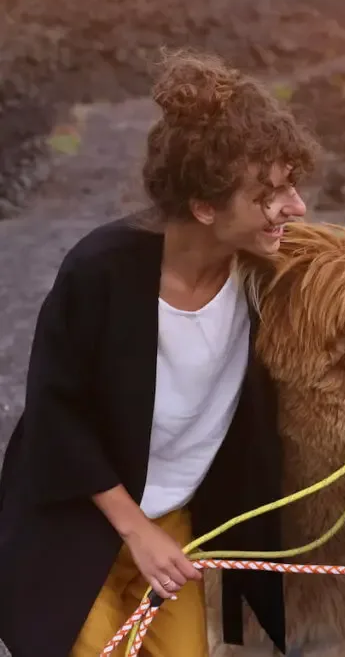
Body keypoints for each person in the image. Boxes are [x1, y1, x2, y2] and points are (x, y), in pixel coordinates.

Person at [0, 48, 321, 657]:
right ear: (204, 206)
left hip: (176, 529)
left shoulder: (272, 277)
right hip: (80, 522)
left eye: (293, 185)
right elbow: (55, 414)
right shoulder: (101, 272)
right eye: (270, 194)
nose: (296, 208)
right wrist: (135, 531)